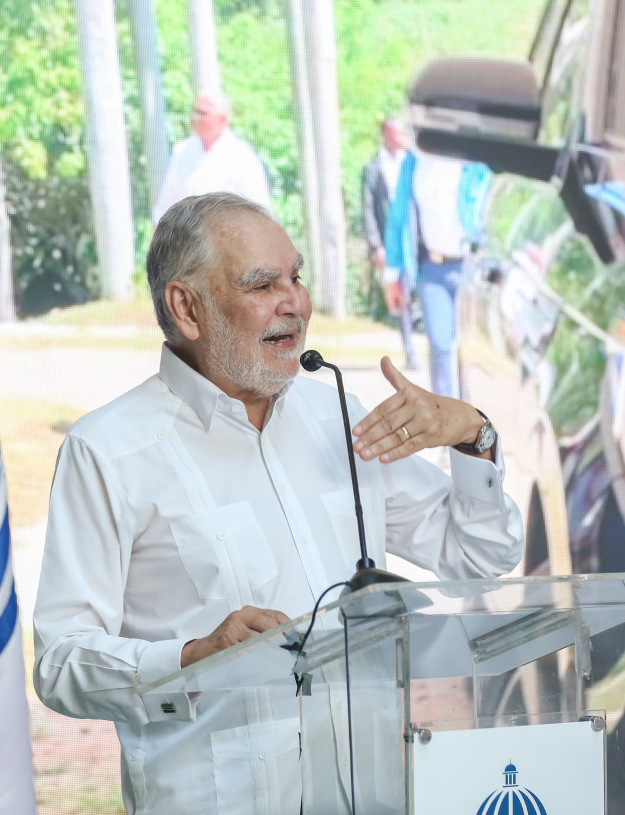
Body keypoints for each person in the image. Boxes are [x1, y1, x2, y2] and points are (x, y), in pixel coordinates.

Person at [33, 192, 521, 815]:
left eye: (296, 277)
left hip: (369, 797)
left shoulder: (338, 414)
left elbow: (479, 557)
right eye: (263, 285)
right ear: (187, 307)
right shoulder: (109, 450)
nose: (294, 303)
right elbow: (61, 661)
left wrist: (473, 437)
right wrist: (189, 659)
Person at [383, 148, 492, 400]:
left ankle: (471, 416)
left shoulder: (474, 161)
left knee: (471, 352)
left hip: (470, 269)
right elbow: (398, 217)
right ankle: (447, 418)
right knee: (441, 346)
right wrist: (392, 276)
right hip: (432, 269)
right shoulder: (413, 161)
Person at [152, 90, 272, 221]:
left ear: (222, 118)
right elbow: (166, 206)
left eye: (203, 113)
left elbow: (259, 211)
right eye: (195, 112)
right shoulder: (182, 152)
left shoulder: (242, 157)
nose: (196, 118)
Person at [361, 116, 417, 369]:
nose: (399, 138)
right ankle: (410, 350)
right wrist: (377, 245)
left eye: (401, 133)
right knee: (400, 292)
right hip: (390, 240)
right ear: (385, 135)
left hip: (414, 239)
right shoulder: (374, 168)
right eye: (394, 133)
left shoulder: (413, 162)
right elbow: (368, 209)